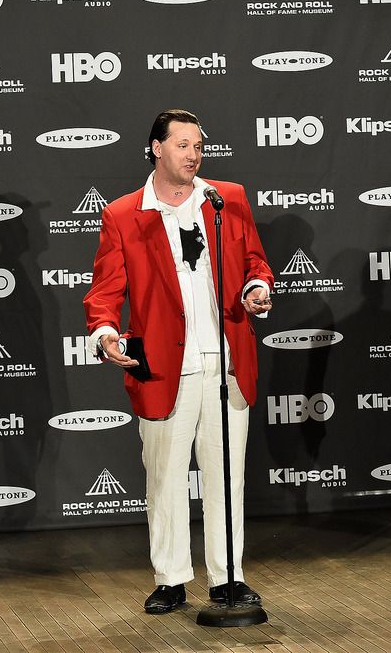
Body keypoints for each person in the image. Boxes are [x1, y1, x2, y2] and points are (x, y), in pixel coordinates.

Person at [83, 109, 274, 614]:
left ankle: (227, 577)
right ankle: (169, 578)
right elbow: (105, 291)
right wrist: (104, 332)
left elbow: (255, 261)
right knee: (165, 476)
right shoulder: (124, 213)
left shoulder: (225, 199)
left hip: (227, 361)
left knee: (226, 476)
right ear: (156, 148)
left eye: (198, 146)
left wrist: (256, 288)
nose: (193, 155)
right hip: (165, 367)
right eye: (183, 145)